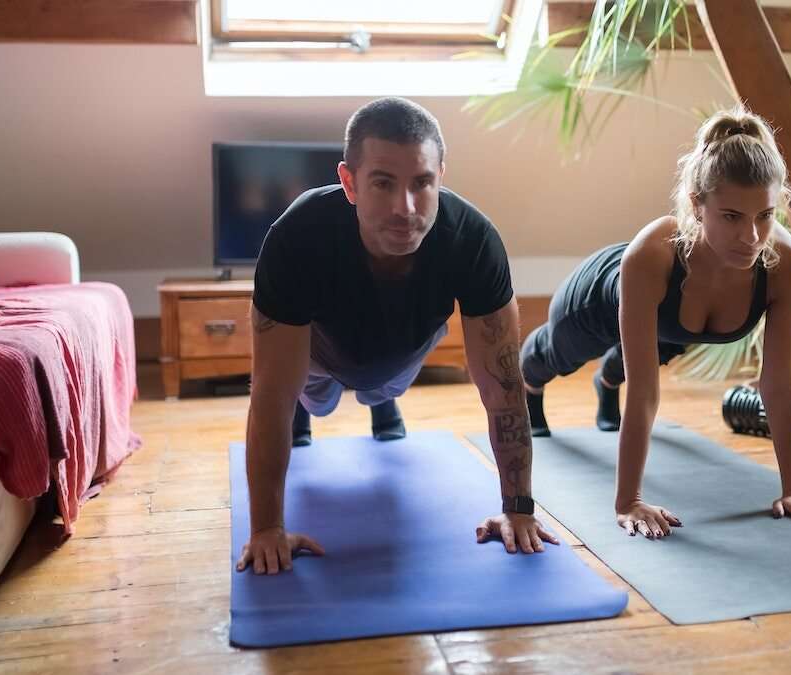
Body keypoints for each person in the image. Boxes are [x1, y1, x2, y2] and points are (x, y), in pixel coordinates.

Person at [237, 97, 557, 575]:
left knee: (381, 385)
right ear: (349, 183)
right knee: (309, 398)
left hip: (404, 349)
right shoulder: (297, 236)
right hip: (318, 355)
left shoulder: (472, 241)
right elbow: (269, 394)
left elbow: (503, 388)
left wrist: (518, 508)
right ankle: (313, 410)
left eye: (422, 183)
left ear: (441, 176)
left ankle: (379, 396)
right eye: (383, 184)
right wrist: (266, 528)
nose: (405, 208)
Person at [520, 106, 791, 538]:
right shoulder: (652, 254)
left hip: (672, 325)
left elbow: (779, 383)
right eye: (731, 217)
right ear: (697, 206)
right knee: (557, 357)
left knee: (648, 353)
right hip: (599, 299)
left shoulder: (784, 264)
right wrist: (628, 501)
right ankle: (529, 385)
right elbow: (646, 390)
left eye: (765, 215)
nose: (752, 237)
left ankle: (606, 384)